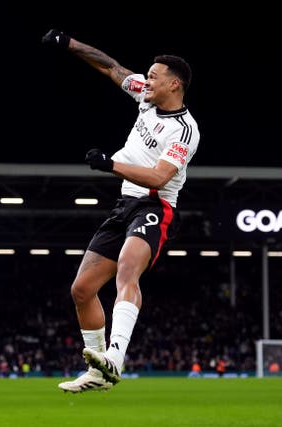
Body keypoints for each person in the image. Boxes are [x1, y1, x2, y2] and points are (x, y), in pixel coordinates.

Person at [42, 29, 200, 393]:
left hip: (155, 206)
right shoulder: (146, 99)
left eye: (154, 76)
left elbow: (160, 177)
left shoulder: (185, 130)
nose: (147, 80)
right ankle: (99, 373)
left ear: (174, 85)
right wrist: (69, 44)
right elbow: (111, 67)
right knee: (81, 289)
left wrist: (110, 164)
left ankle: (116, 356)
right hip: (124, 205)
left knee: (128, 269)